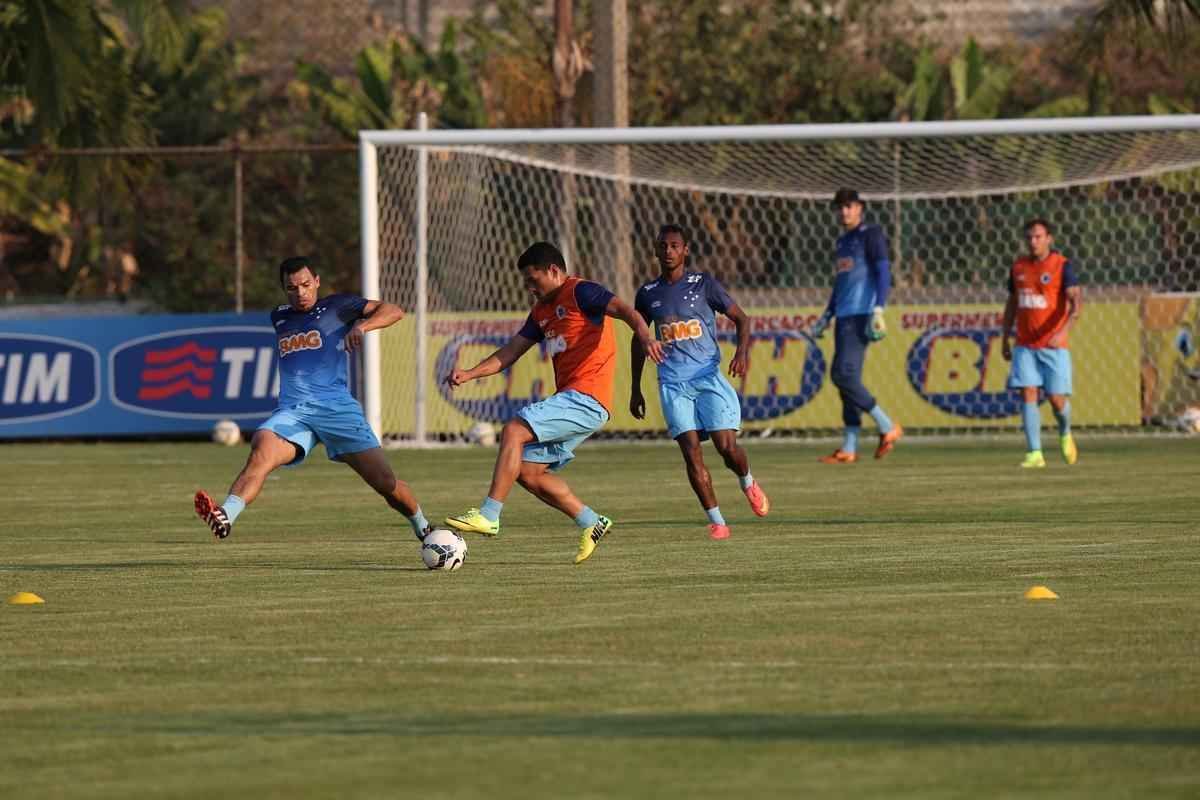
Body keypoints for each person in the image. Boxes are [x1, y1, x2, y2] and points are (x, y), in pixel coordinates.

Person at [442, 241, 665, 564]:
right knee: (528, 471)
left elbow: (628, 312)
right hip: (576, 400)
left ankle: (489, 515)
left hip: (586, 397)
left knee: (514, 430)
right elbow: (510, 352)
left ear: (554, 271)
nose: (530, 288)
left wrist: (645, 335)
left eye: (534, 280)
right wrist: (471, 373)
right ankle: (591, 522)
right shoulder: (541, 312)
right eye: (526, 283)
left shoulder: (582, 292)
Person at [194, 256, 433, 542]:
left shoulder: (339, 306)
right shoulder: (279, 316)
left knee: (386, 484)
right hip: (294, 413)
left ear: (317, 281)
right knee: (261, 451)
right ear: (284, 289)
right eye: (292, 288)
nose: (301, 293)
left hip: (337, 410)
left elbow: (393, 310)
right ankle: (226, 515)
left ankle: (423, 525)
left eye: (306, 285)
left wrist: (362, 326)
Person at [629, 224, 769, 541]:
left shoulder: (703, 284)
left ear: (685, 250)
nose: (668, 251)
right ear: (654, 250)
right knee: (691, 452)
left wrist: (742, 353)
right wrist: (635, 387)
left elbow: (742, 319)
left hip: (707, 378)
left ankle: (746, 480)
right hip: (672, 384)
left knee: (726, 448)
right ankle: (718, 522)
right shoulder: (647, 294)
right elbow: (638, 340)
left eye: (675, 245)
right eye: (662, 245)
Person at [810, 188, 902, 464]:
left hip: (863, 314)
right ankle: (849, 447)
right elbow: (841, 284)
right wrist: (827, 315)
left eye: (849, 206)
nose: (844, 211)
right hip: (844, 317)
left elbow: (883, 271)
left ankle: (887, 426)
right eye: (840, 207)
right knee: (846, 382)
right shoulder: (843, 241)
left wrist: (878, 309)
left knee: (843, 376)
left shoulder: (870, 234)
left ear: (860, 207)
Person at [1001, 219, 1081, 468]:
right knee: (1028, 391)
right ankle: (1035, 452)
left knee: (1056, 399)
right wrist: (1005, 337)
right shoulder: (1018, 268)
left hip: (1054, 347)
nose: (1033, 242)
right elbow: (1013, 303)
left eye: (1038, 237)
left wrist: (1062, 331)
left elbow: (1076, 305)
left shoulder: (1062, 266)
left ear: (1049, 238)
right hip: (1025, 345)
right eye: (1029, 237)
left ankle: (1065, 430)